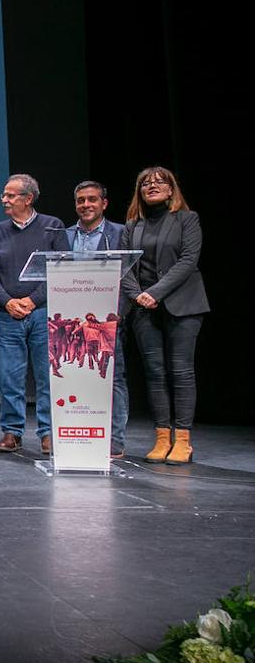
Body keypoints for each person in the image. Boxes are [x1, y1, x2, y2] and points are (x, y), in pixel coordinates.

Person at [120, 167, 208, 465]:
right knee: (155, 373)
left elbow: (188, 261)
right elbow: (125, 265)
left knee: (180, 371)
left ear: (171, 190)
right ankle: (162, 438)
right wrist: (137, 295)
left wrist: (154, 292)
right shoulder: (133, 225)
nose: (152, 186)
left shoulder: (187, 219)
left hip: (182, 305)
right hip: (144, 308)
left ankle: (183, 439)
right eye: (145, 183)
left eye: (159, 182)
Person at [0, 174, 69, 454]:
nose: (4, 200)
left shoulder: (52, 227)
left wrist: (32, 301)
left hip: (44, 314)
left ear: (28, 199)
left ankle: (48, 433)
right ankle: (12, 432)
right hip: (9, 316)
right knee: (9, 376)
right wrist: (7, 302)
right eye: (4, 196)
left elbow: (62, 268)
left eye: (10, 196)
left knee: (47, 376)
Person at [64, 180, 129, 459]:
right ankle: (77, 435)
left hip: (108, 319)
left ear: (104, 203)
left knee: (112, 377)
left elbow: (130, 274)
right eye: (81, 200)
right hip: (73, 320)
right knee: (75, 376)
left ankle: (114, 439)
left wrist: (120, 311)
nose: (86, 205)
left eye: (92, 200)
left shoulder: (121, 233)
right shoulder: (66, 236)